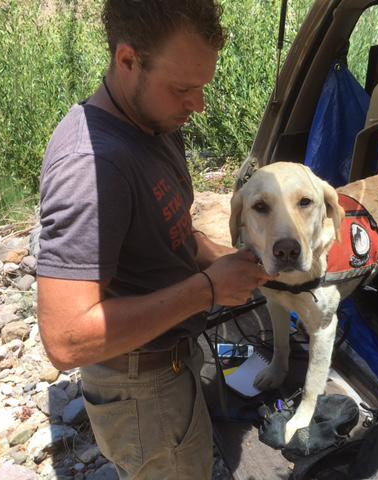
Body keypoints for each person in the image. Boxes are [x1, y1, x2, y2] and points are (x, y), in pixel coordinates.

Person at [36, 0, 273, 478]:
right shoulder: (92, 168)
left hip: (171, 358)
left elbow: (171, 229)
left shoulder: (153, 119)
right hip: (140, 388)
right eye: (184, 88)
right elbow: (66, 340)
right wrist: (207, 290)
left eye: (202, 87)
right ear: (128, 61)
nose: (199, 106)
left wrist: (226, 258)